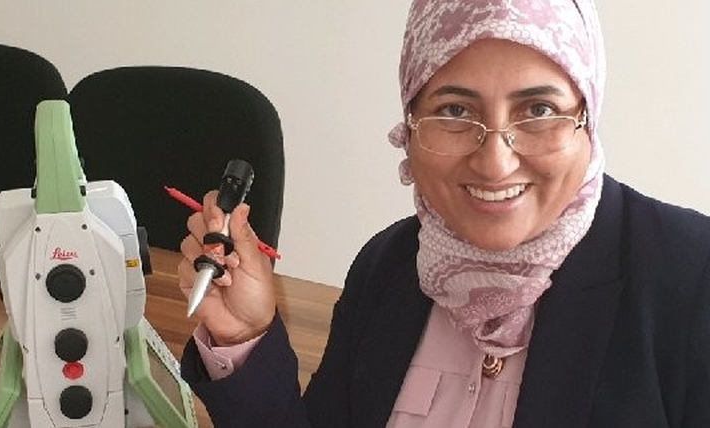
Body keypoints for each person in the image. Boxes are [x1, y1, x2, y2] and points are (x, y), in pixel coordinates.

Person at [177, 0, 710, 426]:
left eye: (539, 109)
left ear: (588, 117)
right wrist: (244, 334)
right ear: (410, 126)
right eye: (455, 110)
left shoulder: (691, 278)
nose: (496, 163)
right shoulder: (388, 266)